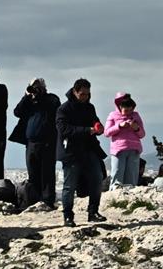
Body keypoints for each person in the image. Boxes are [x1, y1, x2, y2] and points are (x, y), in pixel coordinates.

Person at [56, 78, 107, 227]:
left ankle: (93, 212)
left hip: (89, 149)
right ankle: (67, 216)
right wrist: (87, 130)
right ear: (74, 92)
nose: (85, 96)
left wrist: (98, 128)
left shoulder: (89, 107)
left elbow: (94, 122)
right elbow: (64, 130)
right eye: (82, 94)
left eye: (87, 94)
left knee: (97, 179)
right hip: (71, 152)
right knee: (69, 185)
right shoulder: (63, 109)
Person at [10, 78, 61, 210]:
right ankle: (35, 200)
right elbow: (17, 112)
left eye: (37, 87)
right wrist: (26, 96)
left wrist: (40, 95)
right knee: (33, 174)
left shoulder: (51, 99)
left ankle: (48, 201)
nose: (35, 90)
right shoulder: (29, 103)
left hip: (47, 143)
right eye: (32, 87)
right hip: (31, 144)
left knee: (47, 174)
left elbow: (54, 107)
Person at [103, 92, 146, 188]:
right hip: (119, 150)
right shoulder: (113, 115)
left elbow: (142, 134)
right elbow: (106, 132)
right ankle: (115, 197)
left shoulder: (136, 115)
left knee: (131, 178)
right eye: (124, 108)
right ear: (119, 105)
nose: (127, 111)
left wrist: (136, 128)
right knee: (117, 175)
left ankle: (129, 198)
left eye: (129, 109)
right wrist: (119, 126)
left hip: (134, 149)